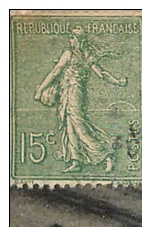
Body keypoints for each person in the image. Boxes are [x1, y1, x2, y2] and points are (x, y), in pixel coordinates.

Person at [33, 27, 128, 173]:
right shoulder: (87, 55)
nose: (70, 40)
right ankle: (76, 161)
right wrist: (118, 82)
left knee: (79, 126)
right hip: (74, 92)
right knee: (69, 125)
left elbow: (55, 72)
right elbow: (102, 74)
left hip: (73, 92)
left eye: (72, 37)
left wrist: (40, 90)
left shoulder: (69, 54)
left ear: (78, 40)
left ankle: (106, 154)